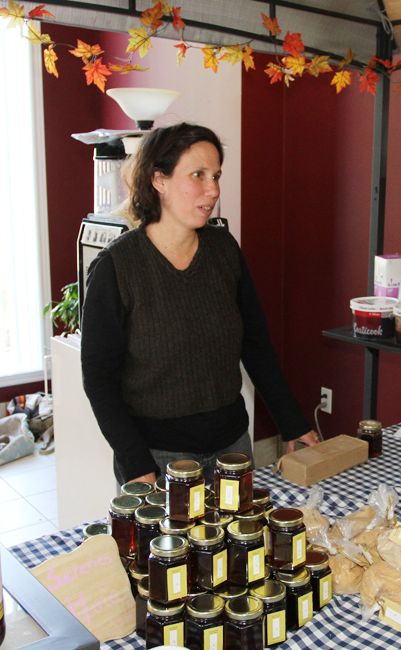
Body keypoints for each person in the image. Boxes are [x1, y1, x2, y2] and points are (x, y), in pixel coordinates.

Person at [80, 122, 319, 485]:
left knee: (243, 542)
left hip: (232, 450)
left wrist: (292, 422)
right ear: (159, 180)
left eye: (216, 176)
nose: (213, 190)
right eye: (198, 175)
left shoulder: (224, 250)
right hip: (157, 458)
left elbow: (255, 345)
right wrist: (134, 463)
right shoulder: (117, 267)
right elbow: (99, 379)